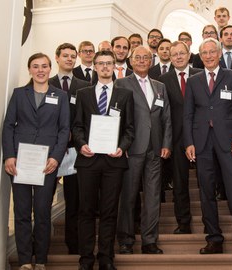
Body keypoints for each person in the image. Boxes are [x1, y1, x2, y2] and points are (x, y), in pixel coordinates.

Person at [183, 38, 232, 254]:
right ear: (200, 55)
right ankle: (213, 238)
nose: (208, 56)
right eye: (204, 52)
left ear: (218, 53)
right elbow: (188, 114)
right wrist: (189, 142)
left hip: (229, 142)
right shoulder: (193, 80)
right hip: (202, 143)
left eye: (211, 52)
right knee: (206, 191)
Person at [2, 53, 70, 270]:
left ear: (50, 69)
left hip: (46, 163)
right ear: (29, 70)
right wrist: (9, 155)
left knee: (42, 212)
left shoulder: (60, 95)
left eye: (44, 66)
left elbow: (64, 129)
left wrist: (56, 157)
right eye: (35, 66)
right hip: (20, 162)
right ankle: (24, 261)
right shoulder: (19, 94)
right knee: (22, 212)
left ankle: (40, 259)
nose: (40, 70)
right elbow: (8, 126)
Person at [72, 50, 134, 270]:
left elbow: (129, 129)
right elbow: (77, 126)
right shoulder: (83, 93)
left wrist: (121, 147)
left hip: (113, 161)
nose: (105, 67)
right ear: (95, 66)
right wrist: (81, 144)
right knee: (86, 211)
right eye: (101, 63)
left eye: (109, 63)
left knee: (109, 211)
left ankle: (106, 258)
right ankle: (86, 259)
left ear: (113, 66)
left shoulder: (124, 95)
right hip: (88, 161)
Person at [116, 46, 172, 255]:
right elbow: (116, 117)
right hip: (131, 149)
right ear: (131, 61)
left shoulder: (160, 86)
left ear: (151, 61)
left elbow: (166, 117)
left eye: (145, 57)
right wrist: (121, 146)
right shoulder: (120, 84)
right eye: (137, 57)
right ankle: (126, 240)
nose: (141, 60)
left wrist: (166, 143)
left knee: (153, 197)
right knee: (128, 196)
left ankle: (149, 240)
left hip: (156, 150)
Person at [48, 43, 91, 254]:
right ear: (57, 58)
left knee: (74, 200)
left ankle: (73, 245)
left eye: (73, 56)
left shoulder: (84, 85)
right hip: (51, 150)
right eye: (65, 56)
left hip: (75, 150)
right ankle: (42, 245)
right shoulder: (46, 83)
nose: (69, 59)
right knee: (44, 199)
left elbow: (86, 117)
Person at [158, 41, 202, 234]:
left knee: (207, 181)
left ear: (188, 54)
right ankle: (183, 222)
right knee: (180, 183)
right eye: (174, 54)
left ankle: (209, 220)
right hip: (175, 139)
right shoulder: (162, 80)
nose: (177, 57)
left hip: (202, 136)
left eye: (181, 53)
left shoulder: (201, 74)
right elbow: (161, 113)